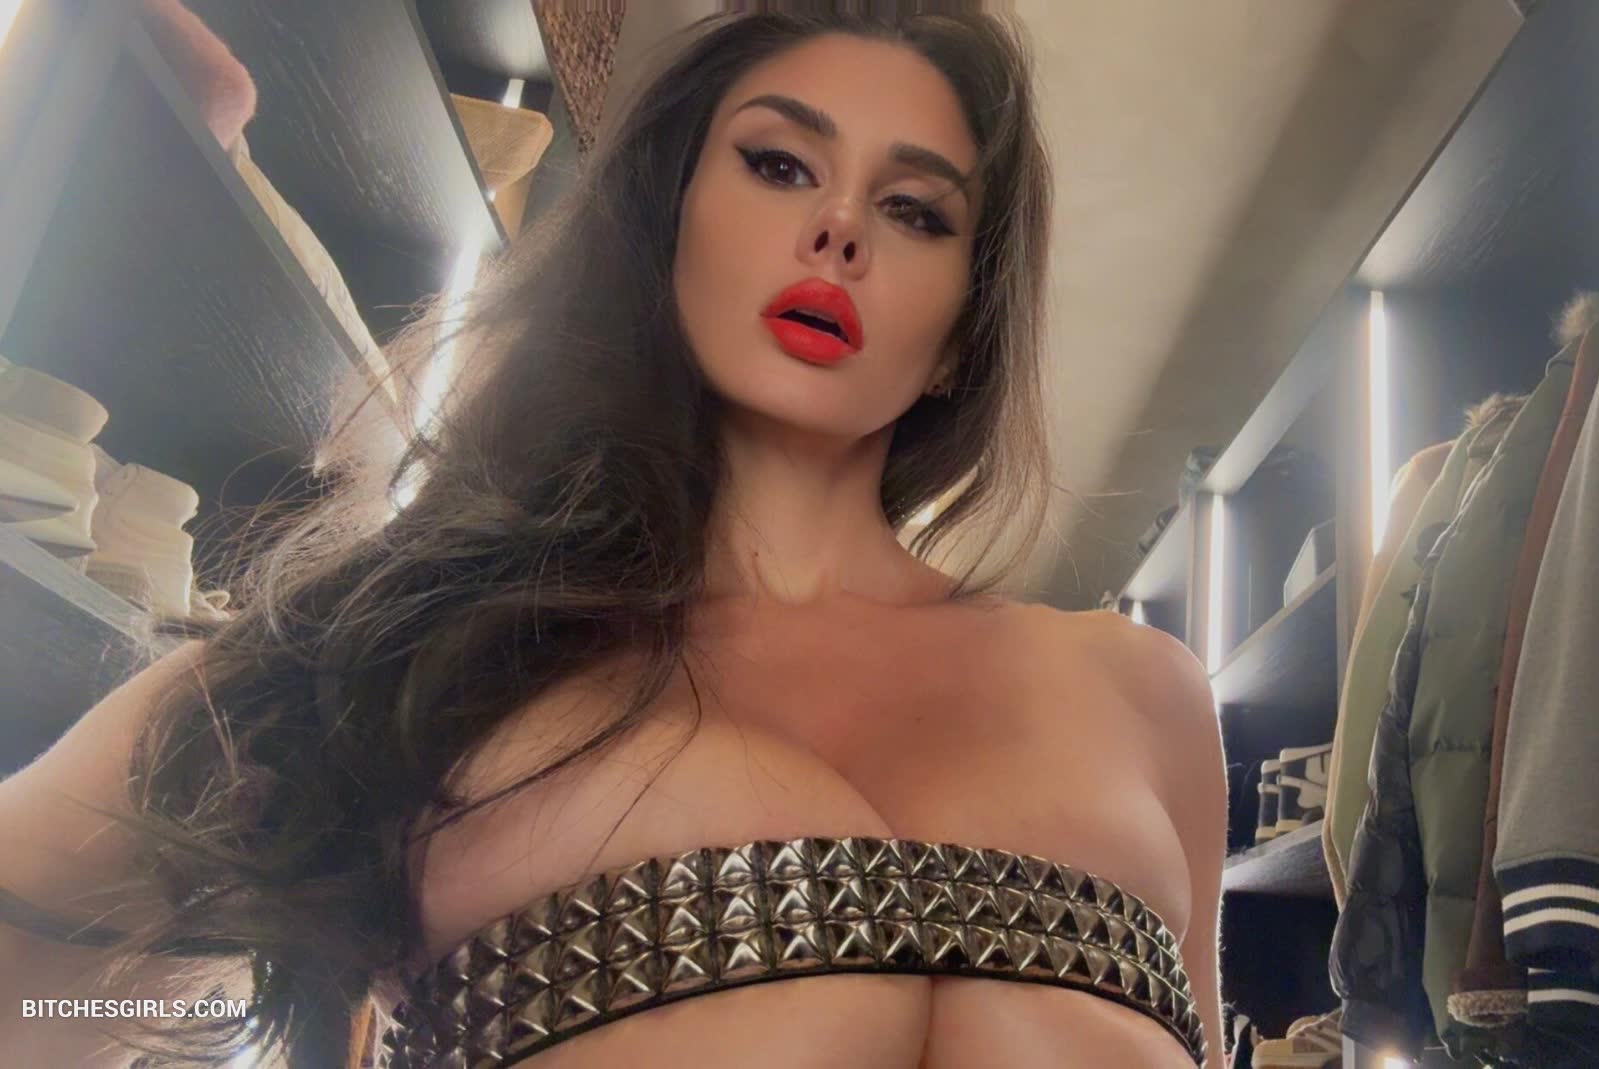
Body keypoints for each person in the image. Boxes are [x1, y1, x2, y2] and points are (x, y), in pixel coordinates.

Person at [0, 10, 1228, 1069]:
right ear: (666, 225)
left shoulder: (1138, 694)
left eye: (914, 210)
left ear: (962, 329)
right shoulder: (416, 643)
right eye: (780, 165)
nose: (841, 226)